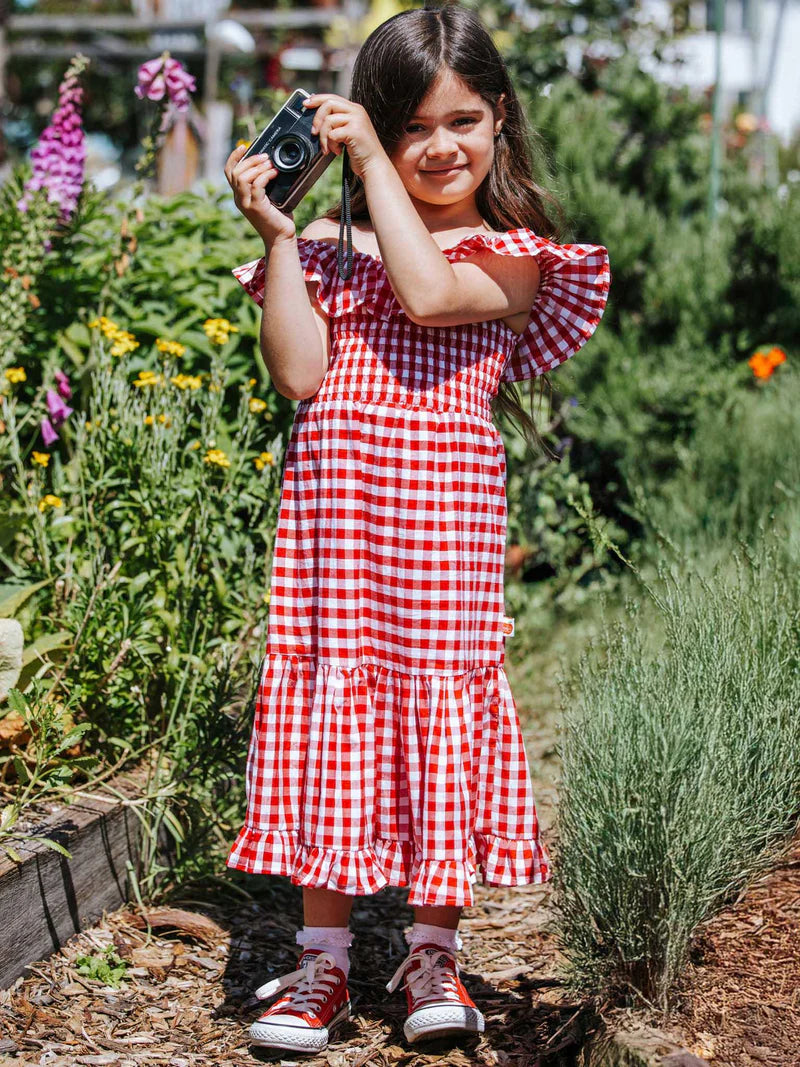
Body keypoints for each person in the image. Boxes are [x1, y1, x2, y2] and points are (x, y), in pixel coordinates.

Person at [223, 1, 610, 1055]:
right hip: (334, 531)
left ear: (498, 122)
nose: (440, 147)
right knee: (331, 702)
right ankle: (322, 965)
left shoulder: (517, 254)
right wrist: (281, 240)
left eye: (464, 122)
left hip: (439, 539)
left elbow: (431, 292)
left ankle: (429, 948)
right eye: (411, 128)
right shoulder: (331, 247)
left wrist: (371, 179)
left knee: (437, 704)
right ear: (380, 133)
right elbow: (301, 372)